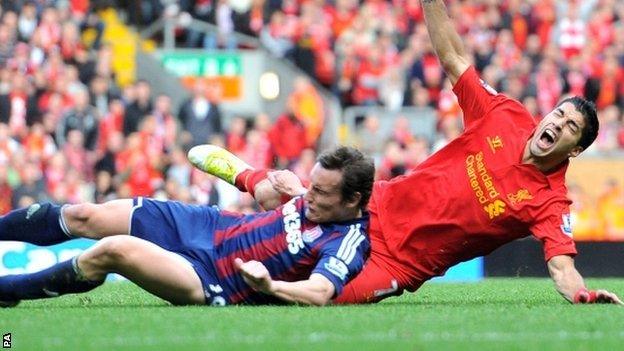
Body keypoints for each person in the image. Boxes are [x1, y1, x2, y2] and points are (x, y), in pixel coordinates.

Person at [191, 0, 622, 305]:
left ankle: (237, 239)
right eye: (558, 115)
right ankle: (248, 178)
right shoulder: (506, 115)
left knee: (320, 295)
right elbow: (454, 58)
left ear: (576, 148)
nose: (556, 125)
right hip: (375, 205)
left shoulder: (551, 202)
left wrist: (583, 295)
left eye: (569, 128)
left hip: (400, 262)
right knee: (277, 203)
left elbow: (562, 268)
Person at [0, 146, 374, 307]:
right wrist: (285, 189)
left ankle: (8, 290)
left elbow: (321, 292)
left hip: (213, 278)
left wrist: (270, 286)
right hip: (207, 225)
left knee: (114, 250)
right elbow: (285, 196)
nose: (310, 196)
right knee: (85, 215)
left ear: (353, 200)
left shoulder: (348, 241)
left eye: (321, 192)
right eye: (311, 185)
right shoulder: (311, 197)